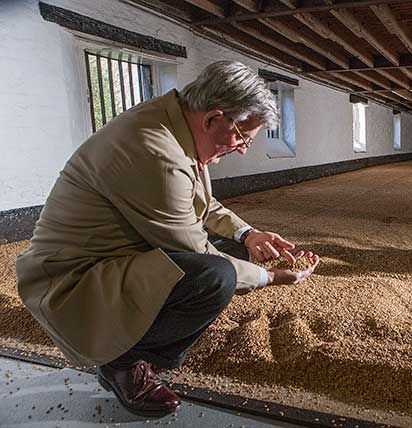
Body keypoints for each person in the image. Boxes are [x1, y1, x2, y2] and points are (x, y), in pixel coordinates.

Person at [15, 61, 319, 417]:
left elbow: (202, 204)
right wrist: (272, 278)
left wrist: (248, 234)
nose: (242, 150)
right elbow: (195, 249)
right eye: (242, 137)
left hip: (121, 255)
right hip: (73, 281)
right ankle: (124, 364)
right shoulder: (155, 149)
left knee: (235, 254)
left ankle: (135, 346)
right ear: (213, 119)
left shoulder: (173, 125)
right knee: (215, 276)